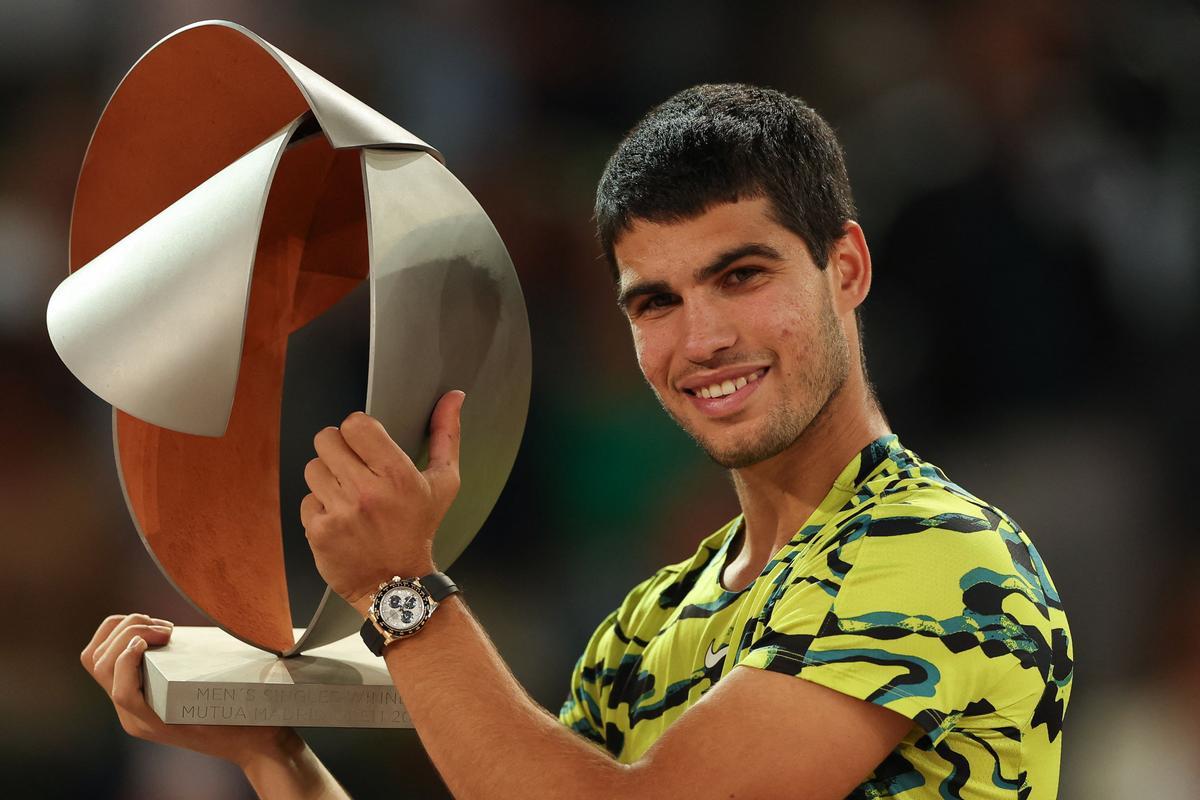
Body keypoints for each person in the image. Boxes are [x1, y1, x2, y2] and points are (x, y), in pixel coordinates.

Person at [82, 84, 1073, 799]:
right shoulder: (651, 619)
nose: (704, 338)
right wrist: (275, 757)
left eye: (742, 275)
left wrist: (403, 588)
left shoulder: (938, 554)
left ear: (846, 267)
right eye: (656, 300)